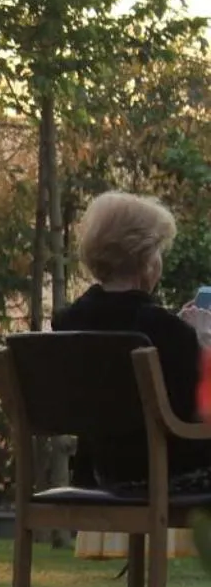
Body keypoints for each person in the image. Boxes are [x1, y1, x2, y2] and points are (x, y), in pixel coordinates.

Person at [53, 191, 211, 487]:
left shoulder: (66, 322)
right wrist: (203, 341)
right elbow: (202, 412)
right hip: (170, 475)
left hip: (98, 474)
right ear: (147, 259)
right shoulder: (164, 330)